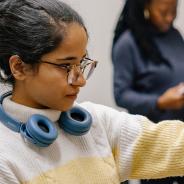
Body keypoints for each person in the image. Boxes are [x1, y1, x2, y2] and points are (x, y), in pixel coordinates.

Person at [1, 0, 184, 184]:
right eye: (65, 65)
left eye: (81, 63)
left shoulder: (97, 123)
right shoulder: (5, 159)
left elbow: (175, 144)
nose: (81, 80)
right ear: (19, 67)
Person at [111, 0, 184, 183]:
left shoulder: (175, 36)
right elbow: (121, 95)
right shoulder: (128, 44)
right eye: (164, 11)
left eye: (174, 9)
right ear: (146, 7)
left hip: (180, 136)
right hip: (154, 142)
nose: (170, 17)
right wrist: (159, 101)